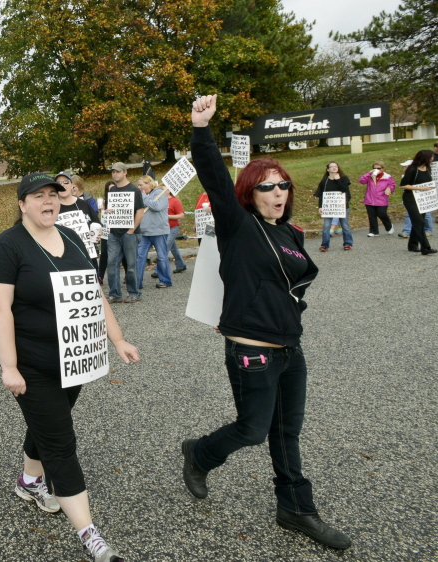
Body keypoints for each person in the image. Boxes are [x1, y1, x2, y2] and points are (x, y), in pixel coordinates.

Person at [181, 94, 351, 550]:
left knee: (285, 432)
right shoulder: (239, 224)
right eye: (268, 187)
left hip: (290, 349)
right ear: (250, 194)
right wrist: (202, 128)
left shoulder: (291, 233)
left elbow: (292, 285)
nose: (278, 193)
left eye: (284, 186)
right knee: (253, 429)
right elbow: (215, 176)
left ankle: (296, 508)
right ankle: (198, 453)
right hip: (251, 348)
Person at [0, 173, 139, 562]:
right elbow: (0, 310)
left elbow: (94, 293)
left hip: (75, 361)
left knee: (46, 424)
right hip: (32, 366)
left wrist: (116, 339)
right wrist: (9, 367)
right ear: (22, 204)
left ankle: (29, 481)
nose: (48, 201)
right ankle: (92, 537)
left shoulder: (71, 237)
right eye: (38, 196)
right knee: (60, 441)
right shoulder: (6, 248)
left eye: (53, 194)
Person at [102, 163, 146, 303]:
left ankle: (134, 293)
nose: (114, 174)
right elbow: (111, 210)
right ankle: (115, 293)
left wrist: (131, 230)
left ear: (125, 172)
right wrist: (107, 211)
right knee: (112, 263)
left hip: (130, 233)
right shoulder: (112, 190)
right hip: (114, 232)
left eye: (117, 172)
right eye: (113, 172)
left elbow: (140, 211)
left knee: (131, 265)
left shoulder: (134, 190)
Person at [135, 176, 172, 289]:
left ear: (149, 184)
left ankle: (165, 280)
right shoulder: (141, 196)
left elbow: (157, 206)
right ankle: (137, 282)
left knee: (161, 257)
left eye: (141, 185)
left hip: (159, 231)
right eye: (138, 185)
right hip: (144, 232)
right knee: (140, 257)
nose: (139, 187)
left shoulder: (160, 193)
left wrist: (144, 198)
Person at [399, 149, 437, 255]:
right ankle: (426, 247)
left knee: (419, 222)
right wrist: (421, 189)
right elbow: (403, 185)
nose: (432, 158)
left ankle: (413, 245)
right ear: (424, 158)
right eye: (431, 157)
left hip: (423, 200)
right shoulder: (412, 169)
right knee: (419, 222)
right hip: (410, 199)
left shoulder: (428, 169)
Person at [314, 162, 353, 251]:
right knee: (326, 226)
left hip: (342, 207)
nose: (334, 168)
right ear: (328, 169)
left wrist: (337, 180)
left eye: (336, 166)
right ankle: (325, 245)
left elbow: (344, 190)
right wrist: (320, 206)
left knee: (345, 226)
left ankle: (348, 243)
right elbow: (322, 194)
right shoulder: (325, 180)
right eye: (332, 167)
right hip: (328, 208)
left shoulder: (344, 178)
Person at [359, 161, 395, 237]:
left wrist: (389, 188)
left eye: (379, 168)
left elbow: (392, 185)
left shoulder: (387, 177)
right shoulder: (370, 176)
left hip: (382, 199)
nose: (377, 170)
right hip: (370, 199)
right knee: (371, 216)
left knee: (381, 213)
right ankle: (374, 231)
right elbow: (361, 181)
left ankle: (389, 226)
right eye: (375, 168)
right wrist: (369, 173)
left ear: (383, 168)